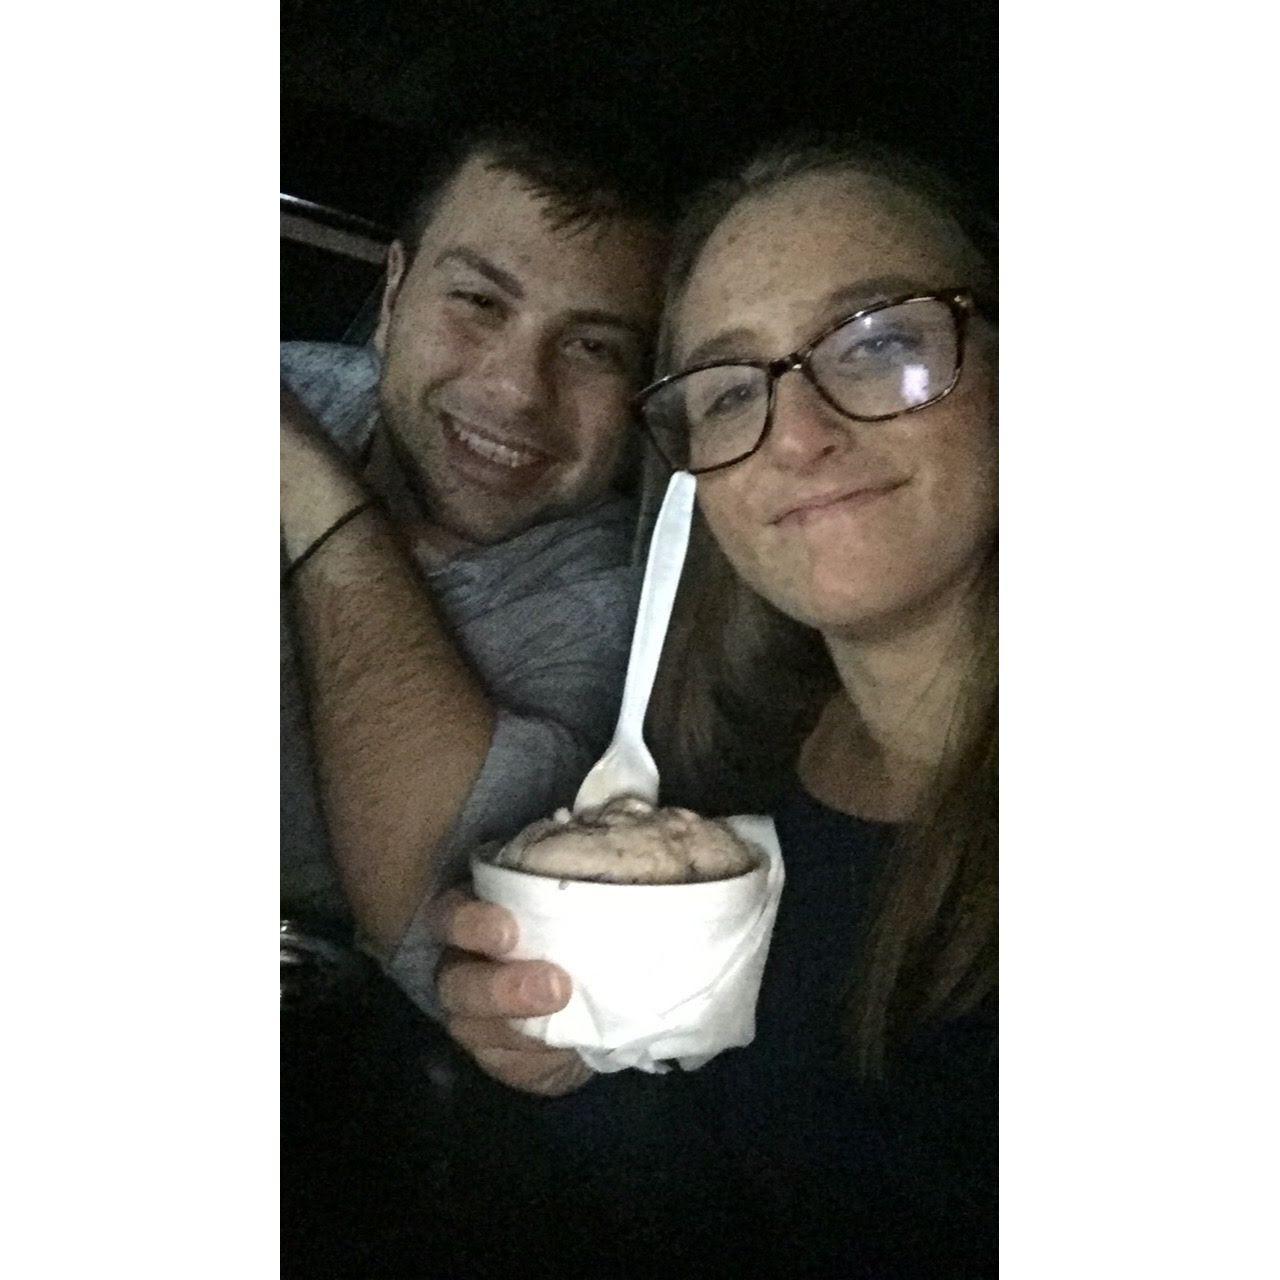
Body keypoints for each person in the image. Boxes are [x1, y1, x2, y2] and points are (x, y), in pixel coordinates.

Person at [432, 136, 998, 1275]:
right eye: (733, 388)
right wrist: (578, 1063)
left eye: (880, 339)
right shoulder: (735, 770)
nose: (796, 434)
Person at [280, 128, 669, 1004]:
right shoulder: (292, 384)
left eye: (594, 347)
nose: (517, 389)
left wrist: (314, 493)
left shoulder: (623, 617)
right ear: (392, 295)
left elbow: (424, 909)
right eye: (480, 303)